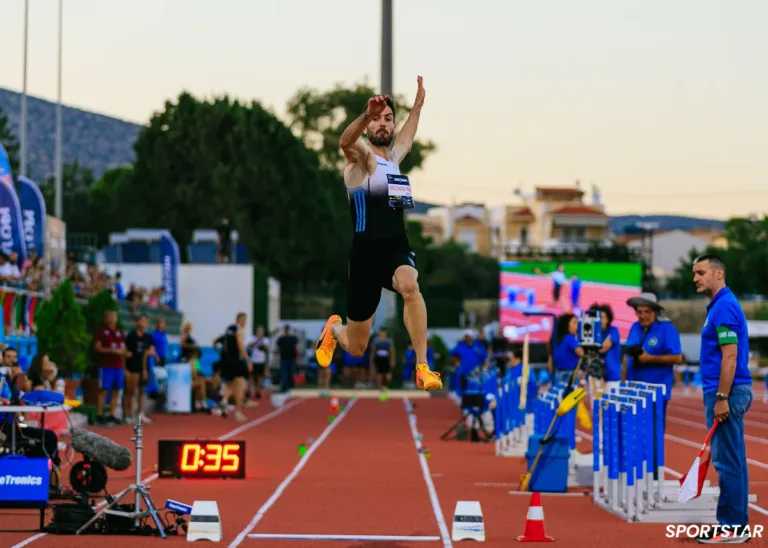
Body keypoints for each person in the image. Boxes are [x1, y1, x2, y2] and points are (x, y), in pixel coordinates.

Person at [313, 77, 442, 392]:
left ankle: (423, 367)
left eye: (388, 119)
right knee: (356, 346)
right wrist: (365, 115)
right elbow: (345, 143)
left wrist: (419, 104)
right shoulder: (362, 162)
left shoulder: (394, 160)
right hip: (365, 257)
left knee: (410, 287)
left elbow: (409, 137)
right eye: (376, 120)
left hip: (396, 248)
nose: (382, 124)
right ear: (368, 127)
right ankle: (334, 330)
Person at [691, 253, 753, 544]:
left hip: (727, 392)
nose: (695, 278)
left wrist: (721, 397)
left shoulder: (724, 307)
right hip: (729, 390)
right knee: (733, 461)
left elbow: (730, 357)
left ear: (718, 274)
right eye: (695, 273)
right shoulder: (719, 306)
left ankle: (732, 527)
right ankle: (735, 524)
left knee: (727, 462)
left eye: (701, 272)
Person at [624, 293, 682, 430]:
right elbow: (626, 355)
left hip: (656, 391)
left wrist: (650, 358)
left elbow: (677, 358)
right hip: (634, 389)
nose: (643, 316)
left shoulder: (666, 328)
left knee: (654, 433)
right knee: (634, 431)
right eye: (639, 312)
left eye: (647, 312)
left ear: (655, 312)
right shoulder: (635, 327)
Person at [94, 310, 128, 425]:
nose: (112, 318)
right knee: (104, 389)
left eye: (114, 316)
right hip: (106, 365)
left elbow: (124, 349)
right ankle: (99, 414)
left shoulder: (120, 332)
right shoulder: (101, 331)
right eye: (110, 316)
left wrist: (124, 355)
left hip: (118, 366)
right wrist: (111, 351)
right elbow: (98, 348)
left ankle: (112, 414)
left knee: (116, 390)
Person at [125, 314, 157, 424]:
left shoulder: (148, 337)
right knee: (131, 391)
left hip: (143, 367)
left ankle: (141, 413)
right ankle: (129, 414)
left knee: (142, 390)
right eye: (141, 321)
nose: (143, 323)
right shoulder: (131, 335)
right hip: (132, 366)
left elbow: (152, 350)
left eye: (145, 321)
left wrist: (151, 353)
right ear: (137, 322)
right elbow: (126, 351)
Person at [218, 312, 251, 421]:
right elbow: (240, 345)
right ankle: (238, 412)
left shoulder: (228, 330)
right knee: (239, 385)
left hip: (226, 361)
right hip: (236, 361)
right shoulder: (239, 330)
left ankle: (224, 401)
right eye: (245, 320)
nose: (245, 323)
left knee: (229, 384)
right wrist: (248, 360)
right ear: (240, 319)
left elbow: (223, 345)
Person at [590, 303, 622, 393]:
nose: (601, 320)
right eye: (598, 317)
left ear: (608, 319)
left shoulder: (613, 331)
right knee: (595, 405)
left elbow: (603, 348)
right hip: (595, 374)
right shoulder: (592, 333)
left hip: (612, 375)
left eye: (603, 317)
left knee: (611, 405)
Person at [549, 313, 584, 386]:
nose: (577, 326)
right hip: (570, 375)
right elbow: (582, 353)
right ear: (566, 325)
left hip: (557, 374)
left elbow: (549, 364)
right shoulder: (570, 338)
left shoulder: (555, 340)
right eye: (574, 323)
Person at [247, 325, 270, 401]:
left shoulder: (266, 339)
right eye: (258, 331)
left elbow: (267, 348)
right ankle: (248, 391)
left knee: (260, 377)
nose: (260, 332)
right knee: (250, 376)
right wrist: (257, 340)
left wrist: (262, 341)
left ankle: (257, 390)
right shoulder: (252, 338)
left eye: (261, 331)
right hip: (253, 360)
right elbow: (249, 346)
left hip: (261, 361)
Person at [371, 327, 395, 397]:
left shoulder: (389, 341)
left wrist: (392, 361)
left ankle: (386, 387)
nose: (382, 334)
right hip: (378, 359)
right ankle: (379, 389)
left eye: (383, 333)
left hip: (386, 359)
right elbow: (373, 351)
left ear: (386, 333)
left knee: (388, 375)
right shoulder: (376, 341)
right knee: (379, 375)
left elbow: (392, 352)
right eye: (381, 333)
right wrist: (372, 361)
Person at [275, 325, 300, 393]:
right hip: (284, 359)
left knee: (291, 374)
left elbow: (296, 348)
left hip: (292, 358)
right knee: (284, 374)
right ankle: (285, 388)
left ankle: (290, 387)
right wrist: (276, 358)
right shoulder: (281, 339)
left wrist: (297, 357)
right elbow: (278, 349)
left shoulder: (293, 338)